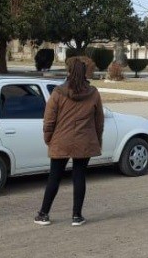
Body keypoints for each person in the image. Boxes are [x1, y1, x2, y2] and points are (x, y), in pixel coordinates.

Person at [35, 59, 104, 227]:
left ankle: (43, 214)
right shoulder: (94, 93)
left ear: (68, 71)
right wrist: (97, 140)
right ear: (85, 73)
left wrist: (48, 139)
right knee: (79, 176)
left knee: (54, 177)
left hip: (61, 141)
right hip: (85, 141)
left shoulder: (58, 93)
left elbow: (49, 120)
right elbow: (99, 122)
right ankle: (77, 216)